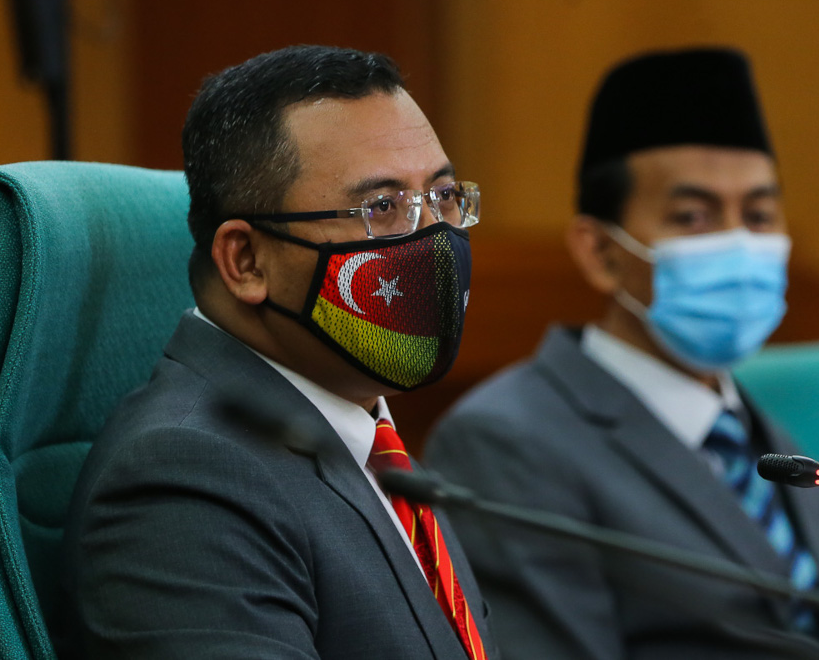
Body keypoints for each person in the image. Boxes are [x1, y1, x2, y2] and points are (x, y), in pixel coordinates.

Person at [425, 47, 819, 659]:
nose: (738, 243)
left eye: (759, 214)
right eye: (693, 216)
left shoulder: (759, 432)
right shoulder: (505, 442)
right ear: (601, 253)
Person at [61, 45, 495, 660]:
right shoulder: (185, 479)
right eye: (382, 208)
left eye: (444, 195)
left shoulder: (371, 440)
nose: (435, 239)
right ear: (245, 261)